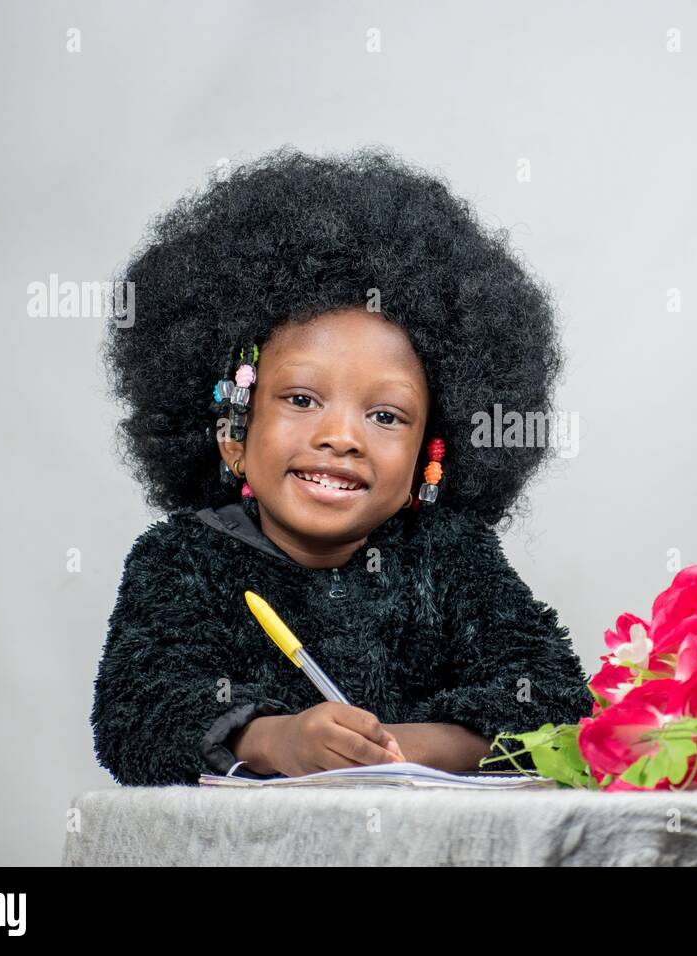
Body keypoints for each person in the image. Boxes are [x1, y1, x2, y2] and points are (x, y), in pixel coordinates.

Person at [91, 146, 593, 786]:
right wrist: (277, 740)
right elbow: (137, 716)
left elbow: (554, 701)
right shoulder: (183, 559)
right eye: (301, 400)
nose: (340, 437)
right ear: (232, 435)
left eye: (386, 416)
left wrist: (400, 747)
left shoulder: (453, 557)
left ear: (429, 454)